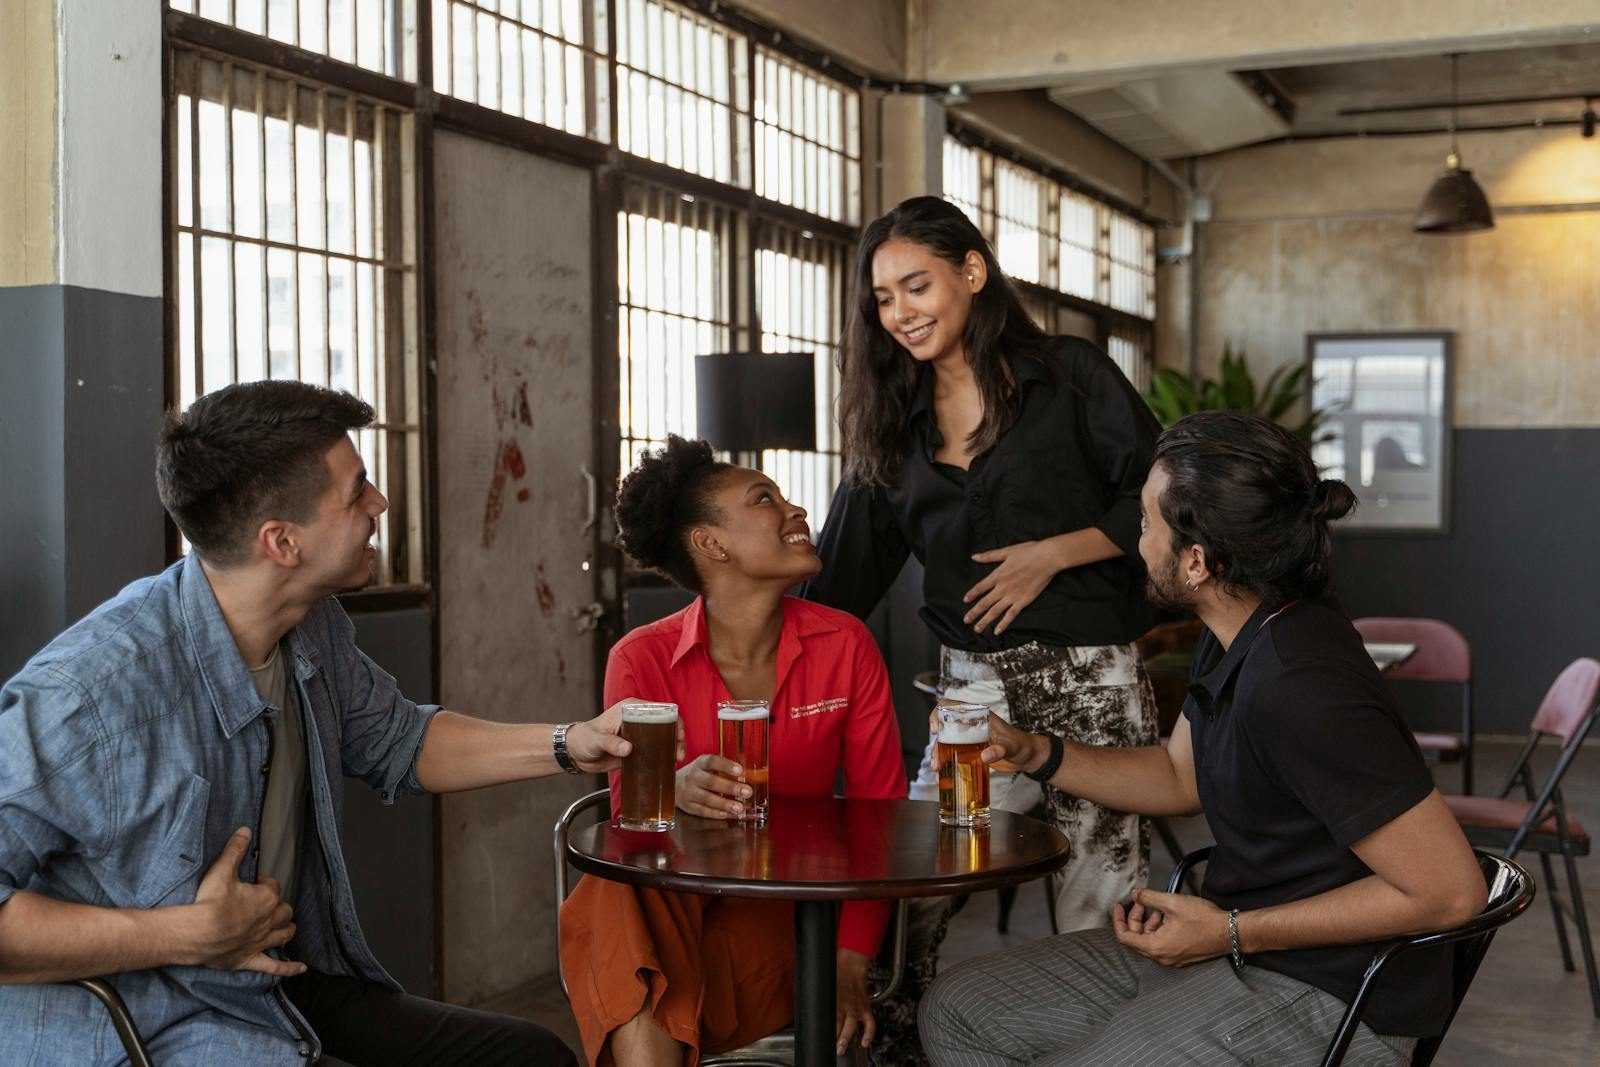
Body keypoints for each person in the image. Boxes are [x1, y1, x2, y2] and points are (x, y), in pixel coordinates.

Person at [0, 380, 646, 1067]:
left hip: (278, 992)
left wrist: (570, 743)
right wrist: (183, 934)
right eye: (358, 490)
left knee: (529, 1058)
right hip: (152, 1020)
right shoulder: (92, 688)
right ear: (281, 541)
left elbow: (402, 741)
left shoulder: (313, 626)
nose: (381, 504)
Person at [918, 412, 1488, 1066]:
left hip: (1334, 990)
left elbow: (1451, 891)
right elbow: (1176, 776)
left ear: (1195, 561)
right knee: (959, 1009)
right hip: (1235, 943)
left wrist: (1230, 929)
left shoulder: (1303, 682)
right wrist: (1033, 750)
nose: (1136, 542)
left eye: (1145, 524)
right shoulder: (1239, 633)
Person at [801, 195, 1162, 1057]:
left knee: (1097, 905)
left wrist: (1055, 553)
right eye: (882, 299)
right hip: (971, 691)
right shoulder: (893, 422)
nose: (900, 313)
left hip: (1093, 676)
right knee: (917, 879)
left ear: (971, 270)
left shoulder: (1071, 372)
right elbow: (838, 578)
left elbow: (1160, 492)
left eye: (915, 285)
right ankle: (899, 1048)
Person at [559, 435, 906, 1067]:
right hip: (673, 908)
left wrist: (852, 959)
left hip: (793, 916)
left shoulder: (845, 645)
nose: (795, 510)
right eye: (765, 500)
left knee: (638, 963)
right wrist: (676, 789)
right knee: (620, 901)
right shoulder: (640, 658)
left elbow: (879, 811)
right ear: (712, 544)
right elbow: (632, 827)